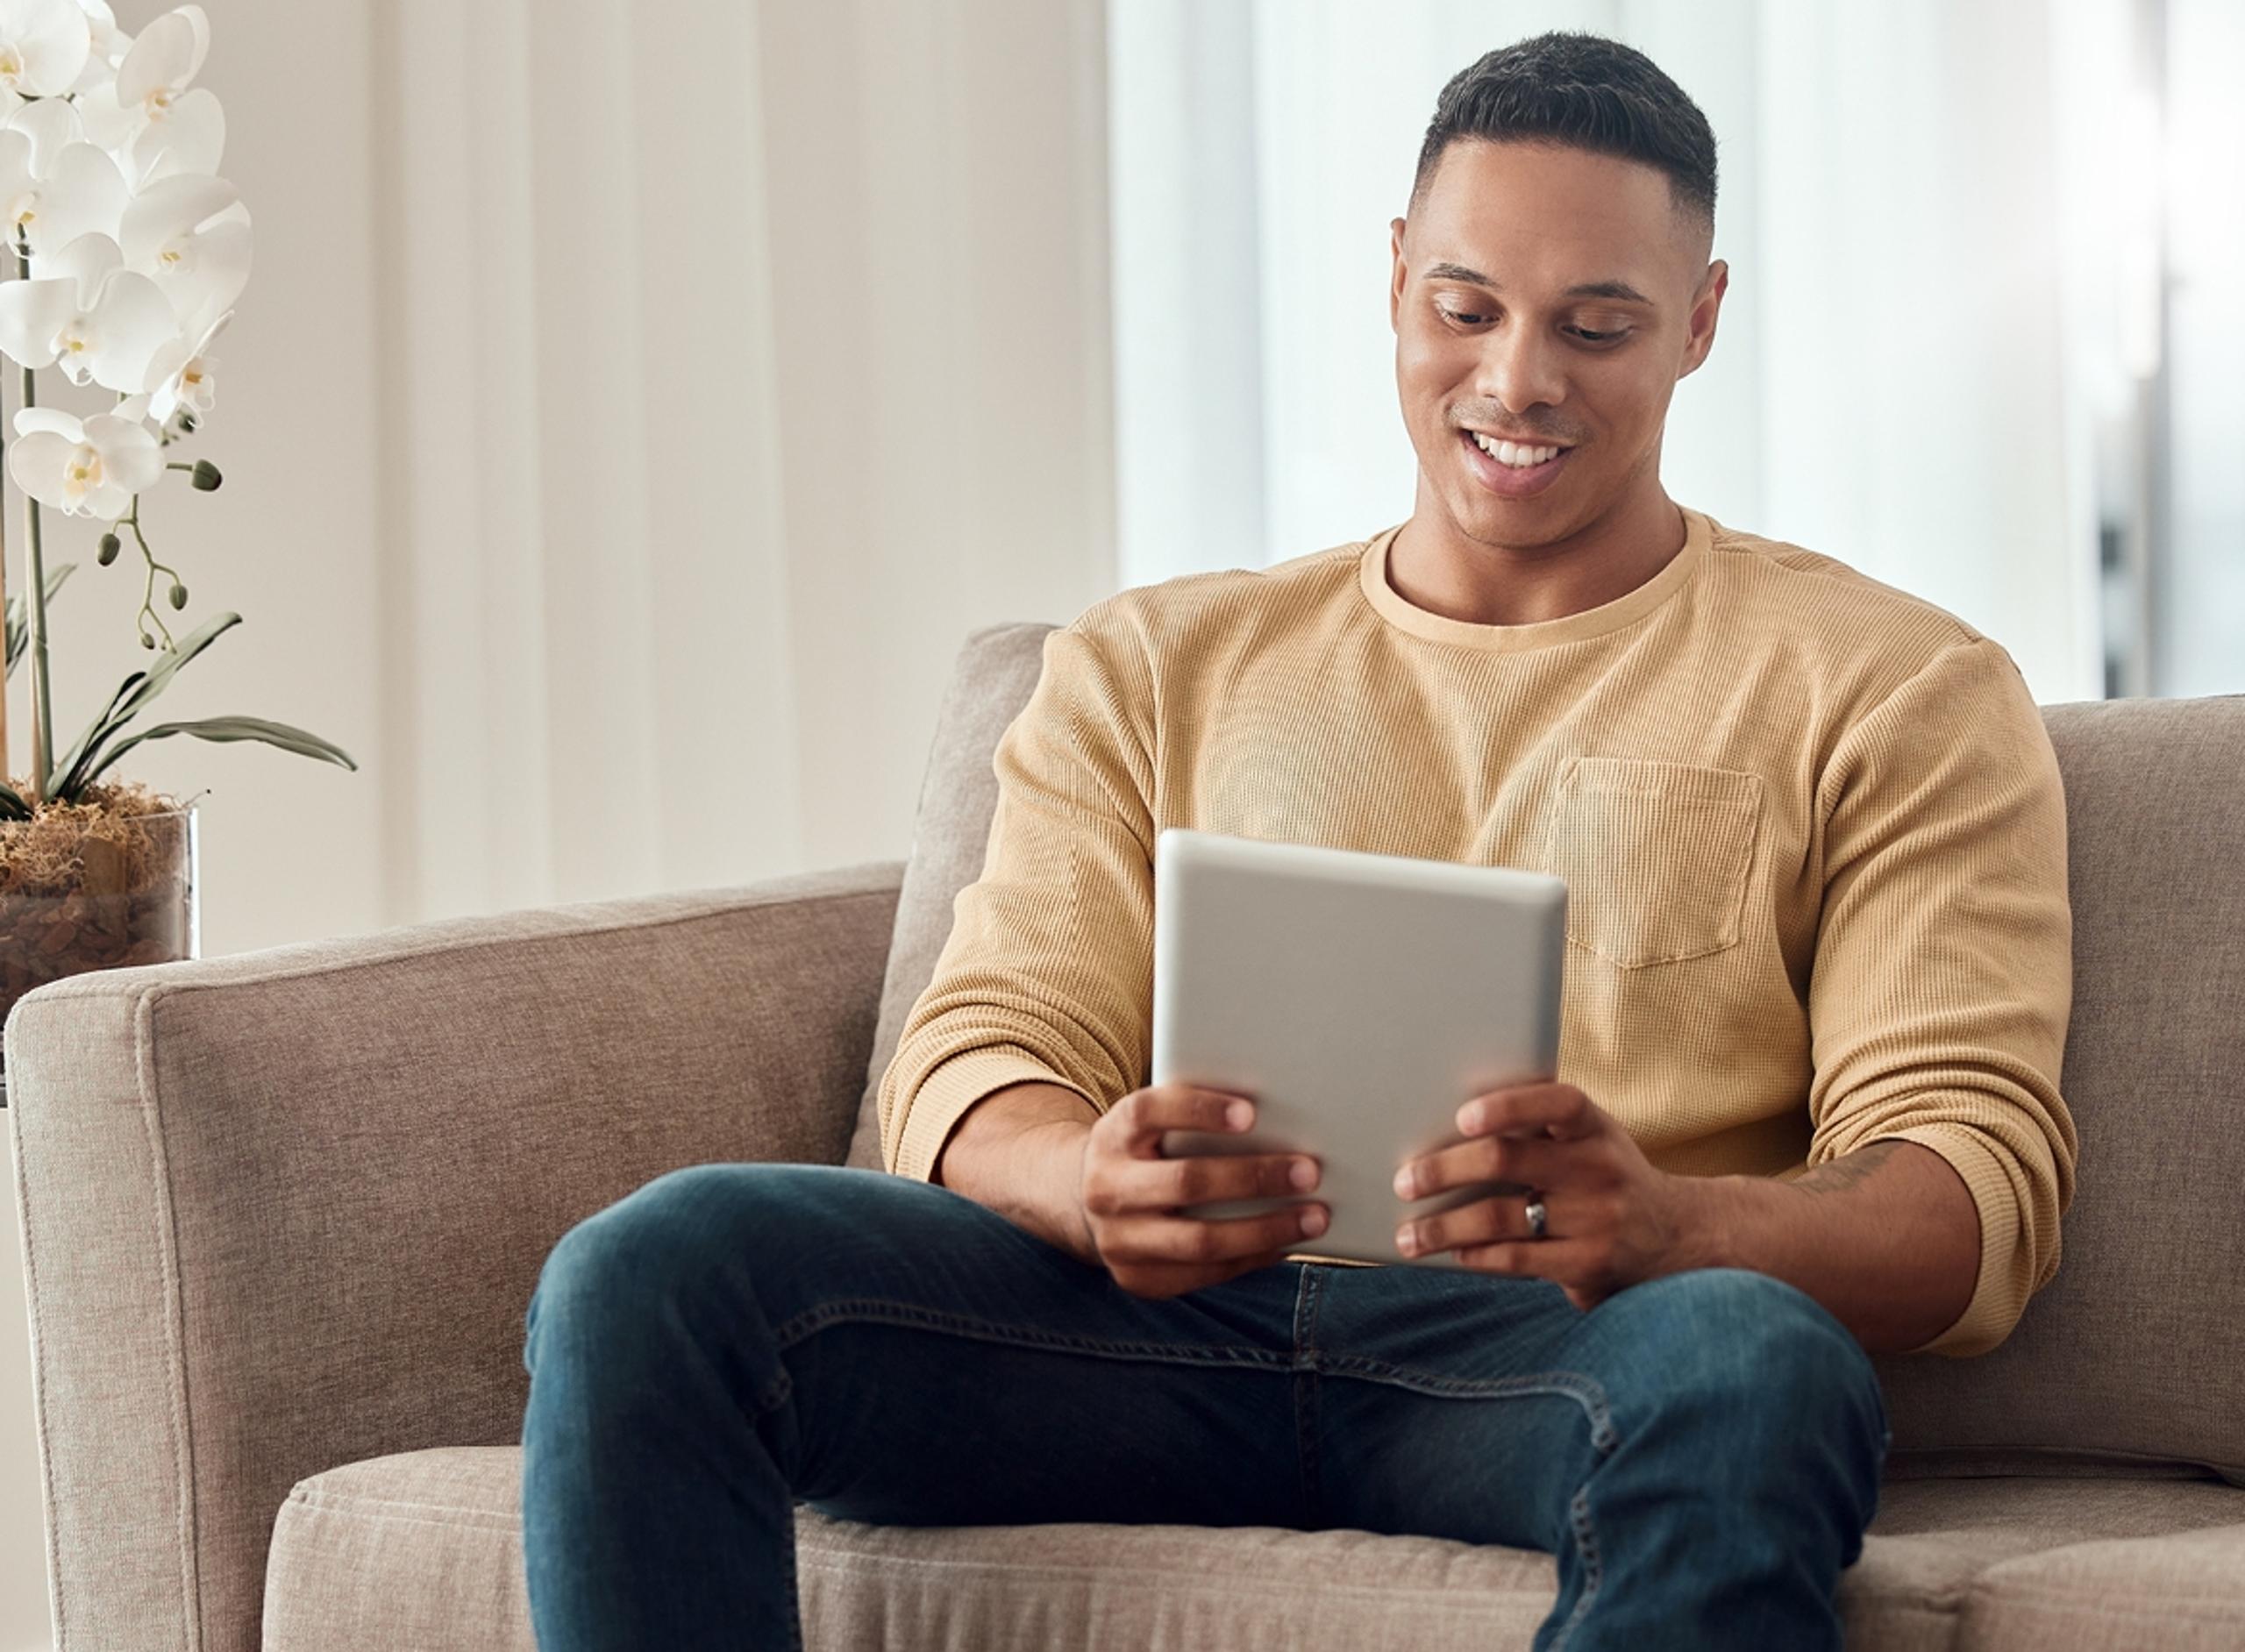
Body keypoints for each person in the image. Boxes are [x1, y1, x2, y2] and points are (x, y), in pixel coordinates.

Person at [518, 29, 2076, 1652]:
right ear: (1397, 279)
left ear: (1698, 321)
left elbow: (1966, 1190)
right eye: (1466, 309)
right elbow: (978, 1047)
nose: (1518, 380)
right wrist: (1076, 1173)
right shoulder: (1150, 665)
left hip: (1559, 1354)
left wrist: (1674, 1227)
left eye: (1594, 325)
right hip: (1141, 1331)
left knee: (1757, 1365)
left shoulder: (1895, 689)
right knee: (656, 1269)